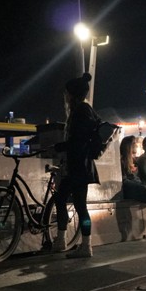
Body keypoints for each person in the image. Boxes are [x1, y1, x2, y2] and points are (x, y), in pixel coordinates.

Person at [53, 72, 99, 258]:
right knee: (79, 205)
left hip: (79, 166)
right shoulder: (84, 110)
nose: (65, 96)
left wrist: (60, 146)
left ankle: (63, 240)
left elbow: (78, 140)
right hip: (82, 166)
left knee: (61, 198)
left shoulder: (80, 111)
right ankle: (84, 244)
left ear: (72, 93)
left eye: (67, 93)